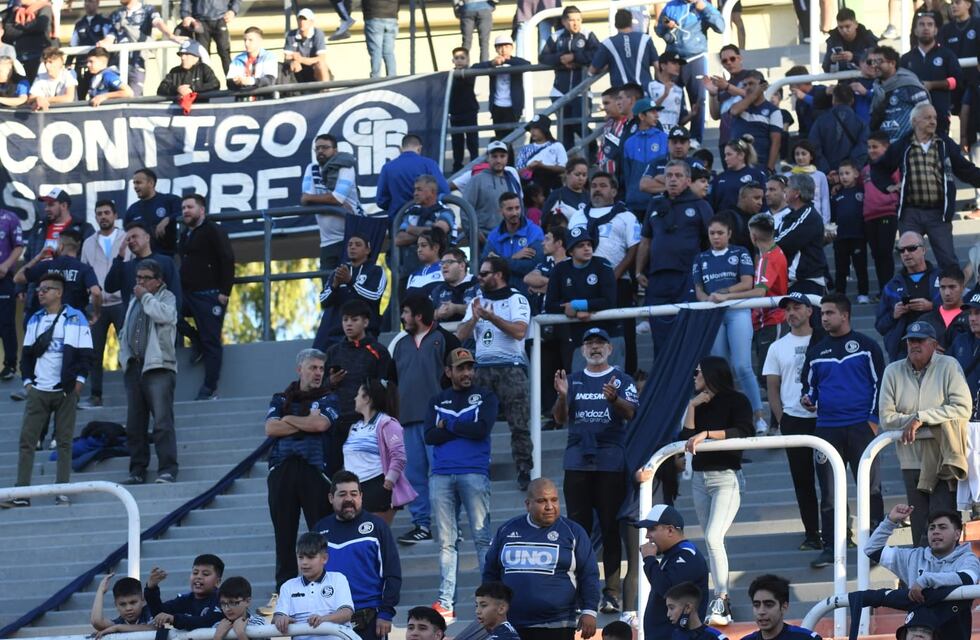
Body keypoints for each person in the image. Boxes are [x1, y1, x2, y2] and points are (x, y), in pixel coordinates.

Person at [553, 327, 639, 614]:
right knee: (578, 530)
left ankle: (611, 593)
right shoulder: (573, 380)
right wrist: (563, 396)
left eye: (600, 342)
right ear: (582, 351)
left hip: (610, 461)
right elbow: (559, 418)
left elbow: (631, 413)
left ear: (610, 348)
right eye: (589, 343)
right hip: (577, 460)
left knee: (611, 527)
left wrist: (615, 400)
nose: (595, 347)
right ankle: (580, 593)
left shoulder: (622, 379)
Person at [801, 294, 886, 568]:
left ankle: (876, 545)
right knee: (828, 491)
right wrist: (808, 399)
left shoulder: (867, 346)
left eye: (829, 313)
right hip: (827, 430)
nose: (823, 318)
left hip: (862, 427)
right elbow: (809, 388)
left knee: (870, 487)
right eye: (822, 313)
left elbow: (881, 384)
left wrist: (872, 421)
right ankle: (831, 545)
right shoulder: (816, 351)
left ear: (845, 315)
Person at [879, 321, 970, 546]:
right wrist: (923, 421)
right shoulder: (893, 370)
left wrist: (921, 418)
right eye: (910, 341)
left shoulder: (949, 365)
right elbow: (886, 419)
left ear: (934, 344)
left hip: (944, 458)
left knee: (945, 529)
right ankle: (922, 579)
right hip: (910, 461)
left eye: (920, 341)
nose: (914, 345)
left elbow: (963, 408)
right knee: (921, 530)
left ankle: (948, 580)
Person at [424, 347, 498, 621]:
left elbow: (482, 430)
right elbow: (430, 435)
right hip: (441, 474)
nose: (467, 373)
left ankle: (490, 598)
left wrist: (449, 425)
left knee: (481, 537)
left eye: (470, 368)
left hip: (474, 472)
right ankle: (446, 603)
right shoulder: (436, 399)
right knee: (446, 542)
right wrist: (459, 424)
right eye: (461, 368)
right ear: (449, 372)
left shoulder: (486, 396)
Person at [680, 356, 754, 625]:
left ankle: (721, 599)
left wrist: (708, 434)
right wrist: (691, 406)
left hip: (726, 477)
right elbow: (683, 440)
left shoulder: (737, 400)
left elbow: (745, 430)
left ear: (711, 373)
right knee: (712, 542)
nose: (694, 376)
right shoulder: (697, 402)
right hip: (699, 478)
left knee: (712, 537)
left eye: (697, 372)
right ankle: (720, 601)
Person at [5, 275, 90, 507]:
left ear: (59, 293)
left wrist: (78, 382)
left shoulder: (76, 317)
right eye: (39, 289)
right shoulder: (35, 319)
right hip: (38, 391)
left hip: (65, 391)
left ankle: (62, 491)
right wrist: (28, 384)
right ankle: (22, 493)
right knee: (27, 441)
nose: (40, 293)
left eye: (46, 289)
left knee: (64, 442)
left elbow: (86, 355)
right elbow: (27, 354)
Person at [483, 477, 601, 640]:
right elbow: (490, 574)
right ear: (527, 504)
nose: (549, 507)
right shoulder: (506, 530)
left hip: (557, 625)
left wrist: (589, 611)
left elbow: (589, 574)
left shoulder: (573, 532)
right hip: (511, 624)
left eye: (554, 500)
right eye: (542, 501)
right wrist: (488, 608)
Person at [264, 349, 340, 595]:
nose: (318, 373)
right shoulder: (280, 398)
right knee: (284, 536)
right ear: (300, 370)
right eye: (313, 367)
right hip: (282, 470)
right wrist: (303, 420)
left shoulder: (329, 398)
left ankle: (324, 590)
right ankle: (284, 594)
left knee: (320, 535)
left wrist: (288, 419)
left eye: (321, 368)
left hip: (315, 471)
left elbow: (320, 424)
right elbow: (270, 429)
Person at [456, 256, 533, 489]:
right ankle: (478, 466)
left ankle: (524, 469)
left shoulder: (516, 299)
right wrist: (476, 319)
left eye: (485, 273)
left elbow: (520, 331)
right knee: (477, 422)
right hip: (482, 369)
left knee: (519, 424)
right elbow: (460, 335)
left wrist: (493, 318)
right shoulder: (477, 301)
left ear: (498, 275)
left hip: (512, 368)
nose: (479, 277)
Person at [873, 102, 980, 270]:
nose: (933, 121)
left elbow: (964, 169)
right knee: (910, 260)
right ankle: (913, 293)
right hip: (910, 213)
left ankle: (953, 294)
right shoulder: (903, 144)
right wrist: (888, 186)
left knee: (948, 260)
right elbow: (880, 168)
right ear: (915, 121)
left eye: (935, 118)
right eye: (927, 117)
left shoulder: (944, 143)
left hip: (938, 213)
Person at [392, 295, 459, 544]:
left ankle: (451, 525)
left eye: (406, 311)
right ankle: (422, 524)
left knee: (443, 474)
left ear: (419, 315)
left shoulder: (445, 339)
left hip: (438, 421)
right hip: (407, 420)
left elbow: (461, 378)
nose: (402, 317)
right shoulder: (400, 345)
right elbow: (393, 382)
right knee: (414, 475)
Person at [692, 216, 765, 432]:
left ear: (729, 233)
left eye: (720, 233)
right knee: (719, 369)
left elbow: (747, 283)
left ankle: (758, 416)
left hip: (737, 311)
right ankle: (727, 417)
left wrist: (725, 294)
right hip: (713, 314)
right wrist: (708, 302)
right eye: (712, 233)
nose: (715, 237)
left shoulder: (740, 252)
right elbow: (699, 290)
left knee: (742, 365)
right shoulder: (701, 258)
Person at [866, 506, 980, 640]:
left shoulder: (967, 558)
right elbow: (872, 549)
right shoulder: (914, 557)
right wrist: (890, 521)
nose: (936, 531)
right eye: (932, 528)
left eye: (942, 527)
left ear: (957, 534)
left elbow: (968, 578)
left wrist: (926, 580)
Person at [314, 470, 402, 640]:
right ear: (331, 498)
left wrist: (386, 613)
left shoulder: (377, 526)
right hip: (329, 620)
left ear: (361, 496)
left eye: (354, 494)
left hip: (369, 620)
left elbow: (392, 573)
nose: (349, 499)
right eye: (342, 494)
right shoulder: (319, 529)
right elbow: (309, 574)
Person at [763, 293, 821, 550]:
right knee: (802, 480)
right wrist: (781, 419)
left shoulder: (824, 339)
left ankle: (842, 531)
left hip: (825, 419)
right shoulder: (777, 347)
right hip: (794, 419)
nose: (791, 313)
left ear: (810, 311)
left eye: (797, 307)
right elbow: (772, 388)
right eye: (787, 309)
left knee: (832, 479)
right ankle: (812, 534)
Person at [637, 160, 712, 358]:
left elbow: (711, 242)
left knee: (687, 334)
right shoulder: (655, 203)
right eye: (669, 175)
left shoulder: (700, 205)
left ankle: (690, 384)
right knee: (660, 337)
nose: (672, 180)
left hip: (688, 276)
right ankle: (664, 386)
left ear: (688, 180)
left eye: (678, 176)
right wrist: (638, 270)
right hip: (658, 278)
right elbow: (645, 240)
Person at [119, 259, 179, 485]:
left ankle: (167, 469)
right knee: (135, 424)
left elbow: (165, 315)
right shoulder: (134, 301)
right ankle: (137, 470)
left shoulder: (167, 297)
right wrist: (123, 356)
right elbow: (126, 329)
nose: (140, 282)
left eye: (145, 278)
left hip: (158, 367)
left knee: (162, 422)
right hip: (134, 366)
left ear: (158, 281)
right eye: (138, 278)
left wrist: (144, 296)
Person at [177, 194, 235, 400]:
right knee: (168, 313)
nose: (185, 211)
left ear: (201, 210)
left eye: (190, 207)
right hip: (187, 295)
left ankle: (210, 388)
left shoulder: (213, 230)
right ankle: (195, 339)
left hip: (210, 296)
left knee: (211, 341)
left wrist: (224, 292)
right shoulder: (184, 233)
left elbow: (227, 258)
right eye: (183, 208)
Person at [545, 226, 617, 370]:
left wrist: (578, 305)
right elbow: (550, 305)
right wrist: (574, 312)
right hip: (576, 337)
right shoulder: (560, 270)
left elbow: (610, 301)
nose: (587, 248)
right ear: (570, 251)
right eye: (581, 245)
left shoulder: (603, 265)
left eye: (589, 244)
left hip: (606, 333)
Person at [343, 379, 415, 524]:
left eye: (358, 394)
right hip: (355, 489)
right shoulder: (355, 427)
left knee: (375, 537)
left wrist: (389, 480)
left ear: (367, 398)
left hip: (377, 486)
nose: (354, 398)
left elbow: (399, 456)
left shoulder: (387, 423)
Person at [634, 504, 710, 639]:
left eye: (652, 529)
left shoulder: (687, 556)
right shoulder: (674, 554)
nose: (647, 536)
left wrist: (650, 560)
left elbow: (667, 589)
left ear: (670, 530)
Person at [653, 0, 723, 141]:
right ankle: (673, 135)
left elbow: (720, 27)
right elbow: (659, 29)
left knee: (698, 100)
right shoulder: (671, 5)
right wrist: (666, 26)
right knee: (672, 99)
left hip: (696, 57)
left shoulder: (704, 4)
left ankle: (695, 138)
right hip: (674, 59)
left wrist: (705, 9)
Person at [15, 228, 102, 336]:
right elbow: (96, 292)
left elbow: (18, 278)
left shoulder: (47, 265)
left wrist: (38, 257)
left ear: (61, 246)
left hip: (48, 322)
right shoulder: (84, 269)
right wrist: (96, 314)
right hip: (75, 322)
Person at [301, 134, 363, 278]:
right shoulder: (312, 169)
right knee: (328, 293)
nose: (320, 151)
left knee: (351, 289)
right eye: (317, 149)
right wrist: (334, 201)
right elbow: (305, 199)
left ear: (335, 150)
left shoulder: (346, 166)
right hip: (327, 242)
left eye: (325, 147)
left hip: (353, 238)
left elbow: (338, 197)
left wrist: (317, 198)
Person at [875, 231, 942, 361]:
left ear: (923, 250)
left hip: (938, 347)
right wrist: (894, 315)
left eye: (911, 248)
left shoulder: (942, 278)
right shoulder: (891, 286)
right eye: (901, 250)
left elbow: (958, 310)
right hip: (904, 352)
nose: (906, 253)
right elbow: (880, 326)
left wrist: (932, 306)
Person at [313, 233, 386, 351]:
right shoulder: (338, 272)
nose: (352, 247)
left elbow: (374, 296)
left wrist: (350, 281)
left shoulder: (376, 271)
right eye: (350, 245)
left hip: (365, 336)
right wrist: (335, 286)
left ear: (367, 250)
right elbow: (323, 301)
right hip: (335, 337)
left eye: (358, 245)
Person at [540, 6, 600, 147]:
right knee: (565, 129)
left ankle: (593, 153)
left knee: (580, 124)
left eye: (578, 20)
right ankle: (568, 162)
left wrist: (575, 57)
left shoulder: (588, 34)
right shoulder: (556, 36)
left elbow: (598, 53)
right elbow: (543, 57)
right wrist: (561, 59)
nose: (576, 23)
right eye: (572, 20)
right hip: (559, 91)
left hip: (582, 91)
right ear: (564, 21)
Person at [272, 533, 354, 636]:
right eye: (300, 557)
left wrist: (323, 620)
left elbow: (346, 613)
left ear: (324, 558)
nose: (304, 562)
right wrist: (280, 619)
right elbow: (277, 617)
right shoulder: (288, 586)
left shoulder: (338, 579)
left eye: (310, 557)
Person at [102, 0, 183, 95]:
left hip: (137, 62)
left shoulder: (148, 9)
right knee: (115, 96)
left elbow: (158, 22)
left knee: (134, 96)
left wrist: (171, 35)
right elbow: (111, 35)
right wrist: (104, 42)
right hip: (117, 64)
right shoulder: (116, 14)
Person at [901, 11, 960, 137]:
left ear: (935, 30)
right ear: (916, 31)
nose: (926, 28)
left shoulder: (947, 55)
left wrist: (932, 85)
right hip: (912, 117)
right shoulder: (906, 59)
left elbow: (956, 81)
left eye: (930, 24)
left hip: (940, 115)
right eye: (921, 24)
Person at [104, 222, 182, 310]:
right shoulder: (125, 267)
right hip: (133, 321)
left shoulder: (166, 262)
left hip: (160, 319)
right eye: (128, 239)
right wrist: (120, 257)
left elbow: (176, 295)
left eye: (134, 236)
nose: (131, 241)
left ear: (147, 237)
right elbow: (109, 287)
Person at [951, 292, 980, 517]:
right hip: (964, 422)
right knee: (967, 494)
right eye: (971, 313)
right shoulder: (960, 341)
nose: (973, 318)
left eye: (978, 313)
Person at [775, 173, 828, 296]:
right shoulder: (790, 215)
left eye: (787, 187)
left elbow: (781, 242)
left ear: (797, 193)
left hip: (808, 283)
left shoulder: (808, 216)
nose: (784, 190)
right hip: (794, 282)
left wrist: (764, 241)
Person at [462, 141, 524, 245]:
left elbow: (520, 208)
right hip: (485, 240)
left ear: (507, 157)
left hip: (511, 239)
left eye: (502, 156)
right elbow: (465, 211)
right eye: (494, 156)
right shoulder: (476, 180)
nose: (498, 160)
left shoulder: (512, 178)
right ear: (488, 157)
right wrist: (476, 234)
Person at [483, 192, 545, 292]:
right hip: (500, 294)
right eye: (509, 209)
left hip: (527, 293)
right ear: (500, 211)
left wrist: (501, 261)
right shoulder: (494, 236)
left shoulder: (534, 232)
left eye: (517, 208)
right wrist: (514, 257)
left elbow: (533, 265)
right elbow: (486, 266)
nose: (515, 213)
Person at [862, 132, 900, 298]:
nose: (871, 150)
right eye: (869, 147)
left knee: (885, 251)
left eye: (875, 146)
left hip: (887, 212)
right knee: (877, 254)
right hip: (869, 216)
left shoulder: (892, 167)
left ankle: (888, 288)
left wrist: (892, 196)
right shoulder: (865, 170)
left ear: (886, 148)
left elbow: (900, 184)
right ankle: (882, 289)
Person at [472, 35, 531, 140]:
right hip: (497, 106)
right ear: (496, 49)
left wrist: (506, 61)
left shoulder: (516, 62)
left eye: (506, 46)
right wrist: (492, 63)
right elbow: (474, 68)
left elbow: (527, 64)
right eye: (500, 47)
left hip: (513, 107)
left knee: (509, 138)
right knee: (499, 137)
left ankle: (509, 156)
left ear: (512, 48)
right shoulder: (493, 63)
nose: (503, 49)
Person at [376, 134, 449, 219]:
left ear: (401, 149)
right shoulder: (429, 164)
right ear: (419, 148)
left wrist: (398, 206)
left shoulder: (387, 168)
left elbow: (381, 200)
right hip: (426, 218)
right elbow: (444, 191)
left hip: (398, 220)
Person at [143, 554, 225, 629]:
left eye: (205, 574)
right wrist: (151, 588)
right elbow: (159, 613)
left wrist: (174, 619)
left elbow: (208, 621)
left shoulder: (222, 600)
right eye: (195, 573)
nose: (199, 577)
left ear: (217, 582)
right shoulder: (185, 600)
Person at [868, 46, 929, 143]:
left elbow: (927, 114)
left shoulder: (910, 84)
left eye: (879, 61)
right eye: (873, 62)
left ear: (892, 63)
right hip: (885, 148)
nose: (875, 65)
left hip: (909, 145)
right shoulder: (877, 88)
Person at [621, 98, 668, 216]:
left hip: (659, 201)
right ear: (641, 116)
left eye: (657, 112)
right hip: (634, 202)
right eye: (652, 112)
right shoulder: (629, 143)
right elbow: (627, 175)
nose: (657, 115)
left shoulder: (665, 139)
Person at [589, 9, 658, 90]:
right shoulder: (645, 39)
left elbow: (591, 71)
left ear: (615, 24)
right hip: (644, 91)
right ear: (631, 23)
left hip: (621, 95)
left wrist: (607, 66)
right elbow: (657, 66)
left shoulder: (607, 44)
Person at [727, 71, 783, 172]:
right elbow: (734, 111)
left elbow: (776, 143)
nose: (748, 87)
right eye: (745, 85)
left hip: (760, 165)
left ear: (763, 86)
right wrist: (753, 95)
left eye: (751, 84)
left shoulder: (773, 111)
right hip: (737, 166)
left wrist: (769, 169)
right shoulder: (739, 104)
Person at [831, 160, 870, 302]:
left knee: (860, 266)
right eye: (841, 174)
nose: (844, 177)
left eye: (847, 173)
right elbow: (833, 216)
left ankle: (863, 294)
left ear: (856, 174)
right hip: (840, 237)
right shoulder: (837, 194)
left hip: (858, 235)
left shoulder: (862, 191)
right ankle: (840, 294)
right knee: (841, 267)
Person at [808, 84, 869, 174]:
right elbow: (863, 148)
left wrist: (827, 171)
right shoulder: (861, 123)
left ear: (833, 100)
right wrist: (848, 170)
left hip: (828, 176)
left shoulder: (820, 121)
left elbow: (813, 147)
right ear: (852, 100)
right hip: (851, 177)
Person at [741, 575, 821, 640]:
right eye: (756, 605)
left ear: (784, 607)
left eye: (769, 605)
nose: (761, 611)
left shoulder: (806, 638)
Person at [125, 168, 182, 257]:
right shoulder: (132, 209)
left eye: (139, 183)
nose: (135, 186)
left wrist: (168, 219)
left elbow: (186, 213)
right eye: (134, 183)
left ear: (151, 183)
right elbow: (127, 233)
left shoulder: (170, 200)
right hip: (142, 261)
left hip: (167, 256)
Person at [178, 0, 238, 75]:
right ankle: (205, 84)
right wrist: (186, 15)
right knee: (203, 56)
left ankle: (232, 83)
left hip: (220, 19)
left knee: (225, 53)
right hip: (200, 20)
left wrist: (233, 10)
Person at [710, 136, 768, 214]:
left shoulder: (757, 175)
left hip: (749, 223)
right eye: (725, 155)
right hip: (725, 222)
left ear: (741, 155)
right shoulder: (720, 178)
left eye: (729, 154)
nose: (725, 158)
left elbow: (765, 202)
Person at [2, 0, 55, 81]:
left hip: (38, 56)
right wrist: (29, 28)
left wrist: (18, 27)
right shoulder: (16, 10)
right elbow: (8, 30)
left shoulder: (44, 7)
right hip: (19, 57)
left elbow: (40, 26)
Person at [0, 206, 24, 380]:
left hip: (3, 278)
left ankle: (10, 365)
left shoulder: (10, 217)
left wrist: (6, 265)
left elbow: (18, 246)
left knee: (5, 323)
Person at [516, 115, 567, 194]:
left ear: (544, 129)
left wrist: (543, 166)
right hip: (531, 188)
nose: (532, 131)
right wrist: (529, 168)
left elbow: (564, 168)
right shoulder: (525, 149)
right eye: (531, 128)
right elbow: (518, 172)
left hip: (552, 186)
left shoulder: (557, 146)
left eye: (536, 128)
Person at [921, 265, 970, 348]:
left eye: (952, 287)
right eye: (943, 287)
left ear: (962, 287)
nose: (947, 293)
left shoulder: (972, 318)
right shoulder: (926, 320)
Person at [90, 575, 154, 635]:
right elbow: (97, 622)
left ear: (142, 599)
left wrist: (118, 628)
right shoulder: (118, 623)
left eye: (133, 602)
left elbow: (155, 627)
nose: (128, 608)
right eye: (123, 604)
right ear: (116, 605)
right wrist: (101, 591)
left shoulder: (152, 612)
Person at [449, 48, 479, 172]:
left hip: (469, 111)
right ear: (453, 60)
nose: (459, 61)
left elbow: (467, 81)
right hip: (455, 112)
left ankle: (475, 162)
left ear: (467, 60)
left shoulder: (470, 72)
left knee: (472, 139)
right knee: (457, 141)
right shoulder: (450, 75)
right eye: (457, 58)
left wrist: (460, 73)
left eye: (462, 58)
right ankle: (457, 165)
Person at [822, 8, 878, 73]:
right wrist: (831, 60)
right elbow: (826, 70)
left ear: (856, 24)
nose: (844, 30)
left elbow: (877, 62)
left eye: (847, 26)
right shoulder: (833, 40)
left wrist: (853, 57)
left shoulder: (868, 38)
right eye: (840, 27)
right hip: (844, 81)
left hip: (868, 80)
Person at [430, 249, 479, 322]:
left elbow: (486, 309)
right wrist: (437, 313)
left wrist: (456, 308)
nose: (444, 266)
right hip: (443, 332)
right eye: (442, 263)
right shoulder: (438, 290)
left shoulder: (478, 284)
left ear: (462, 266)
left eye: (449, 262)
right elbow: (423, 315)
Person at [283, 9, 330, 83]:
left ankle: (326, 90)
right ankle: (298, 92)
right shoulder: (291, 34)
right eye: (300, 19)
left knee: (321, 65)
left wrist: (301, 59)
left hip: (314, 69)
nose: (302, 22)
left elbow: (321, 58)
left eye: (305, 19)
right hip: (300, 68)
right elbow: (287, 57)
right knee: (294, 64)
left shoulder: (318, 34)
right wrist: (294, 60)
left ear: (311, 22)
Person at [227, 27, 278, 94]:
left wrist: (251, 81)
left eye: (250, 40)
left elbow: (269, 80)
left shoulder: (268, 57)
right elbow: (229, 82)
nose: (246, 43)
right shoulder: (238, 59)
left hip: (263, 98)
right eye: (245, 40)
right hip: (243, 99)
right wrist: (237, 82)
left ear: (260, 41)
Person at [27, 47, 77, 111]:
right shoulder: (40, 77)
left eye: (50, 62)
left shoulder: (69, 74)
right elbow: (30, 98)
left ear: (60, 62)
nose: (47, 66)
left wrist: (43, 99)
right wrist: (37, 98)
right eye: (45, 62)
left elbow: (69, 98)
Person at [363, 0, 398, 78]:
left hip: (374, 16)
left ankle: (375, 77)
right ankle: (392, 76)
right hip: (391, 16)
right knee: (389, 52)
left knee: (376, 50)